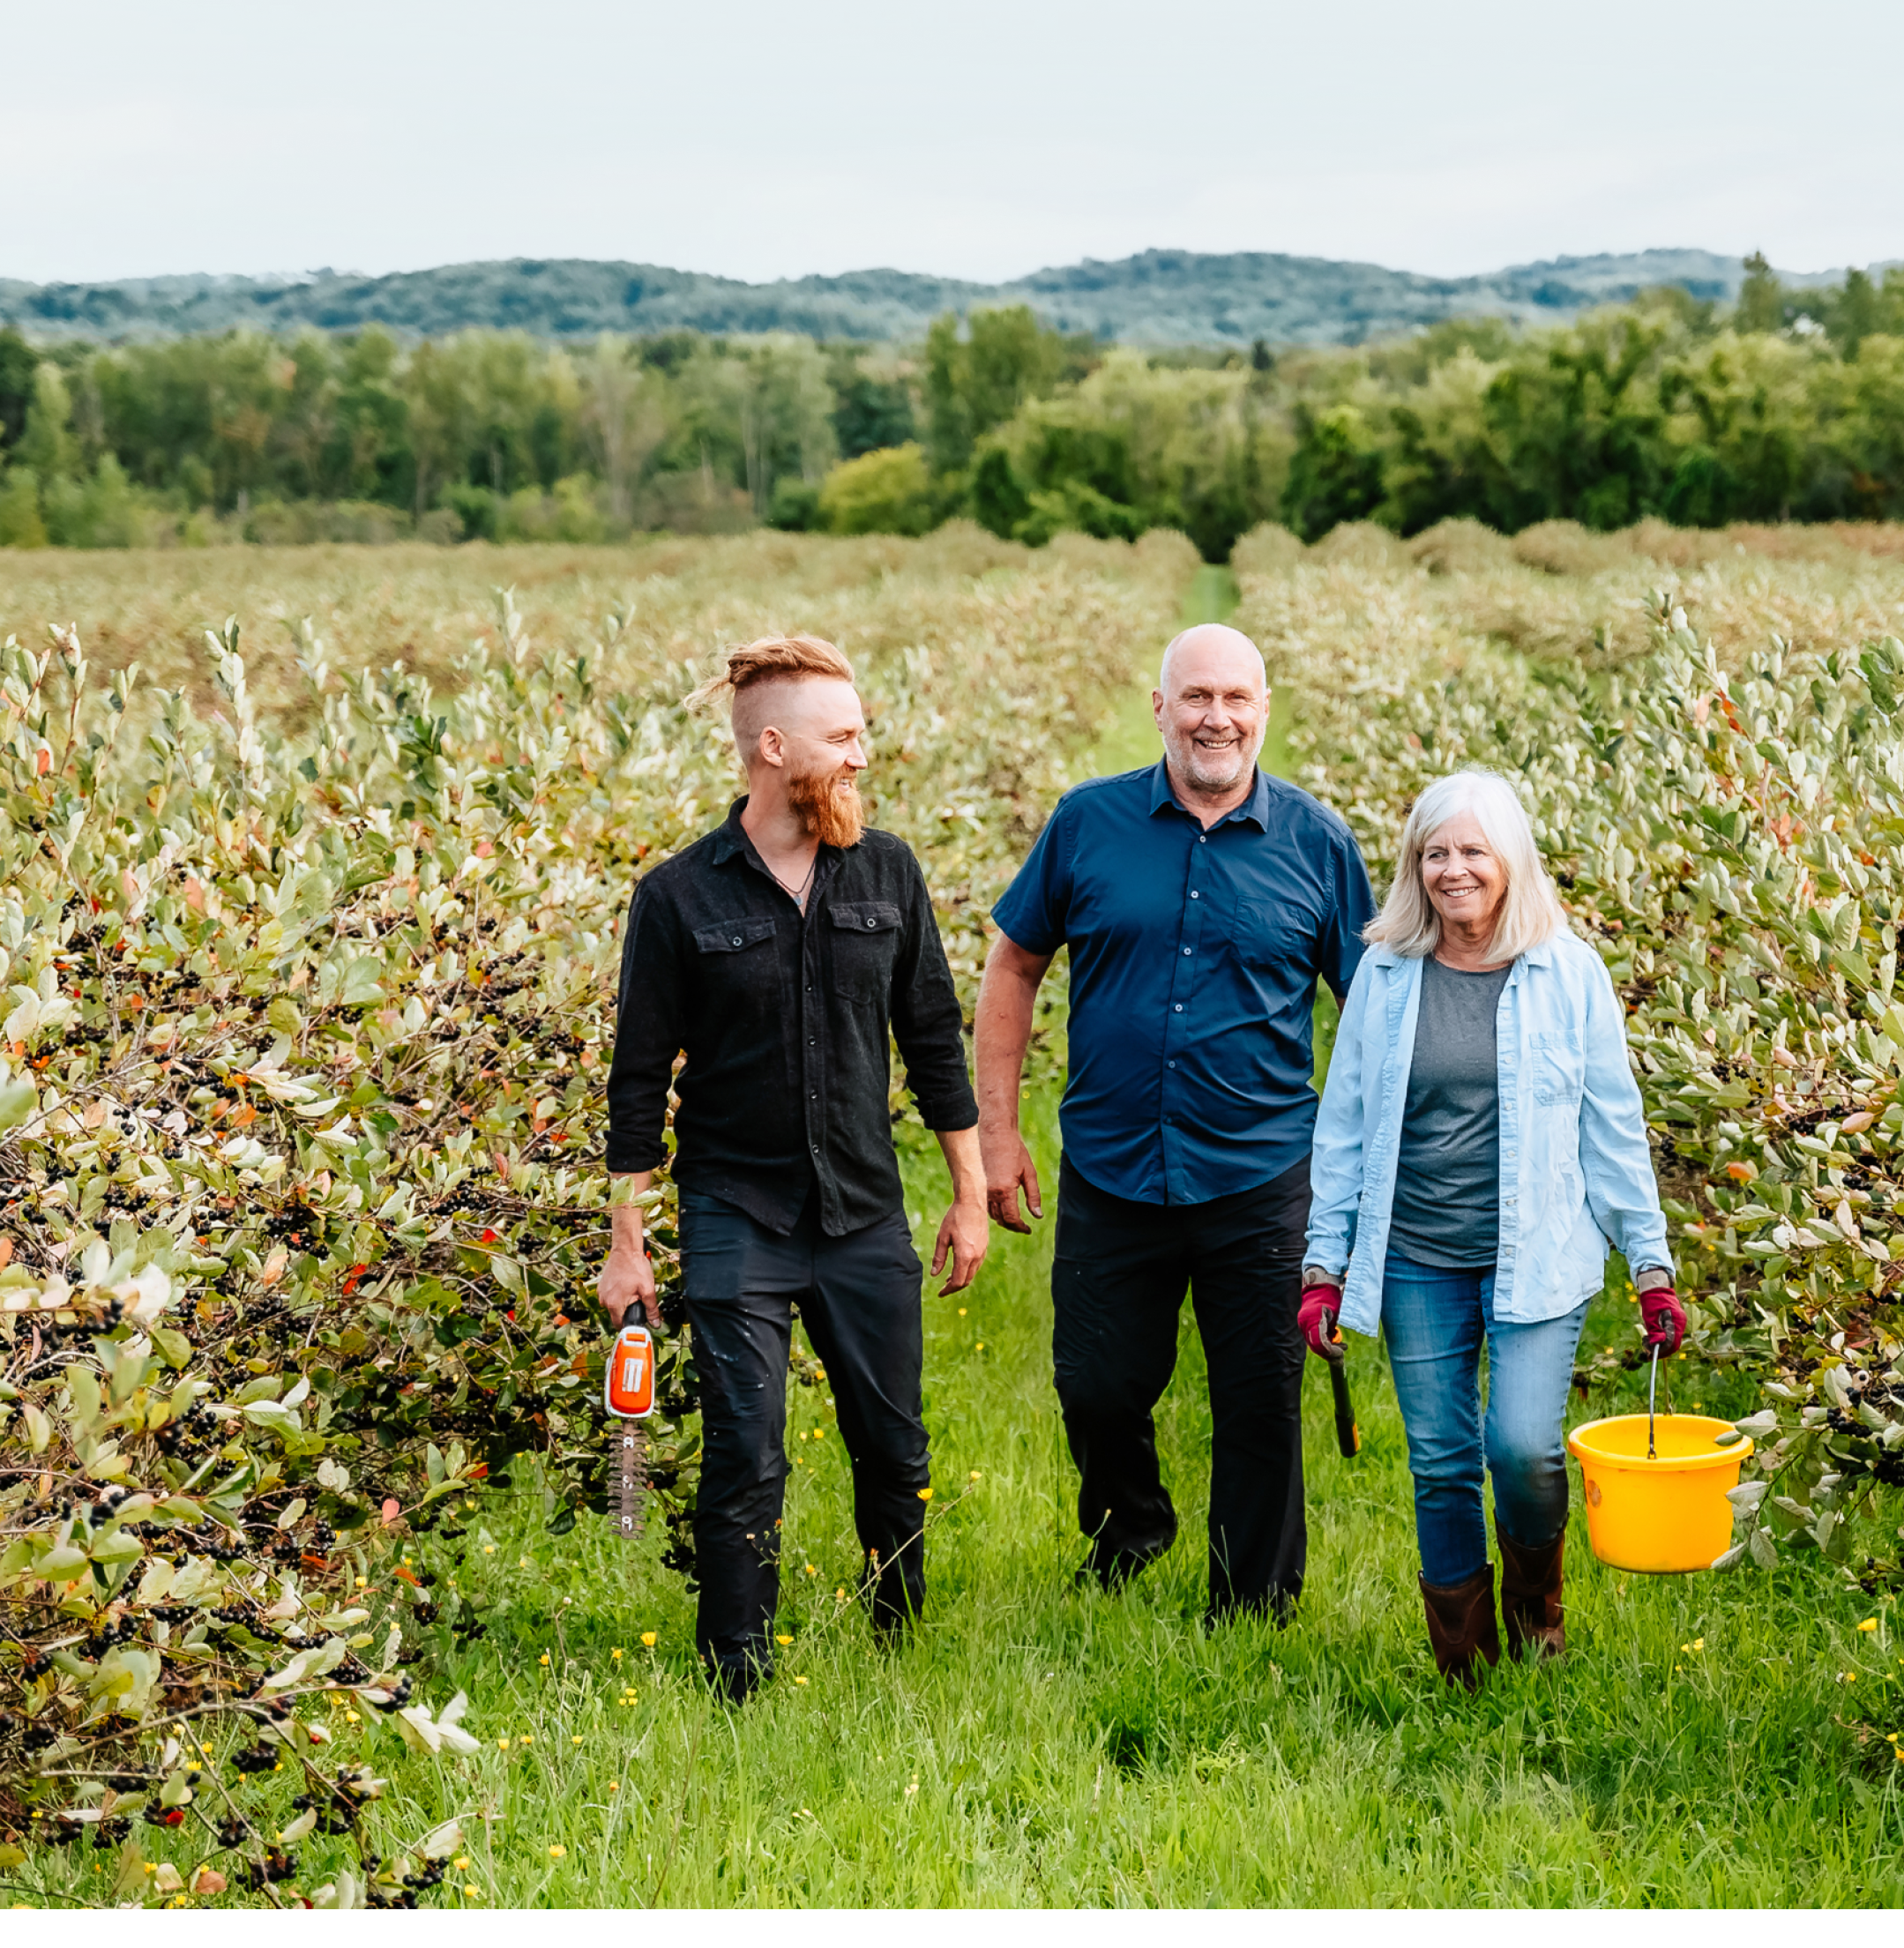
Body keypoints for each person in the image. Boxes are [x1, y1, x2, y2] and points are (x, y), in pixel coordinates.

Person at [600, 634, 989, 1700]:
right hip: (737, 1213)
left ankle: (898, 1637)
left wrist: (966, 1195)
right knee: (745, 1458)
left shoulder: (890, 872)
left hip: (864, 1212)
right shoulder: (677, 898)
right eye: (845, 736)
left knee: (893, 1450)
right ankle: (738, 1678)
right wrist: (625, 1246)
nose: (863, 756)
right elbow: (639, 1083)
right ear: (773, 749)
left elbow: (933, 1040)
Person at [976, 622, 1375, 1620]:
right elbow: (1014, 966)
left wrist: (1368, 1174)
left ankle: (1251, 1605)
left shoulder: (1318, 844)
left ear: (1264, 712)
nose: (1217, 717)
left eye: (1237, 698)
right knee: (1097, 1387)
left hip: (1262, 1170)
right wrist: (996, 1130)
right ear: (1159, 709)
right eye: (1196, 696)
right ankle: (1133, 1523)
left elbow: (1373, 1015)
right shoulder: (1087, 824)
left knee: (1260, 1399)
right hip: (1114, 1164)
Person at [1300, 767, 1682, 1683]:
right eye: (1435, 853)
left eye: (1473, 851)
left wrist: (1651, 1262)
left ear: (1511, 861)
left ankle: (1536, 1610)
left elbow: (1612, 1124)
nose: (1453, 870)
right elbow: (1344, 1124)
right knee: (1439, 1463)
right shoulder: (1386, 977)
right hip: (1417, 1258)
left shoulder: (1568, 974)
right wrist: (1326, 1265)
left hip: (1540, 1256)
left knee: (1521, 1447)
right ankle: (1463, 1667)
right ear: (1414, 866)